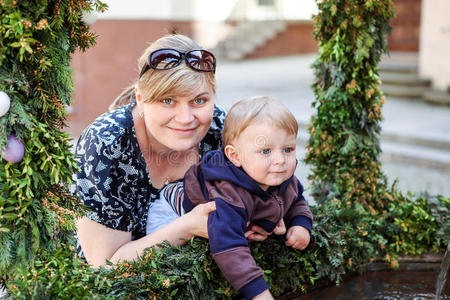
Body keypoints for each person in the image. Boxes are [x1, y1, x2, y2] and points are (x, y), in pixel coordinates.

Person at [72, 34, 275, 269]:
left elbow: (263, 185)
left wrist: (267, 216)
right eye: (168, 101)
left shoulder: (221, 129)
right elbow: (105, 265)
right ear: (140, 98)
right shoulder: (106, 143)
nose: (186, 119)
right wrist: (187, 228)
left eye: (199, 101)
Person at [153, 96, 314, 300]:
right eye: (266, 151)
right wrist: (259, 293)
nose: (280, 160)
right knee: (173, 261)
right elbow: (229, 247)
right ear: (236, 156)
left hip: (226, 206)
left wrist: (301, 224)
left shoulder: (280, 175)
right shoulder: (228, 196)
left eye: (288, 149)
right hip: (171, 210)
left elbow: (297, 199)